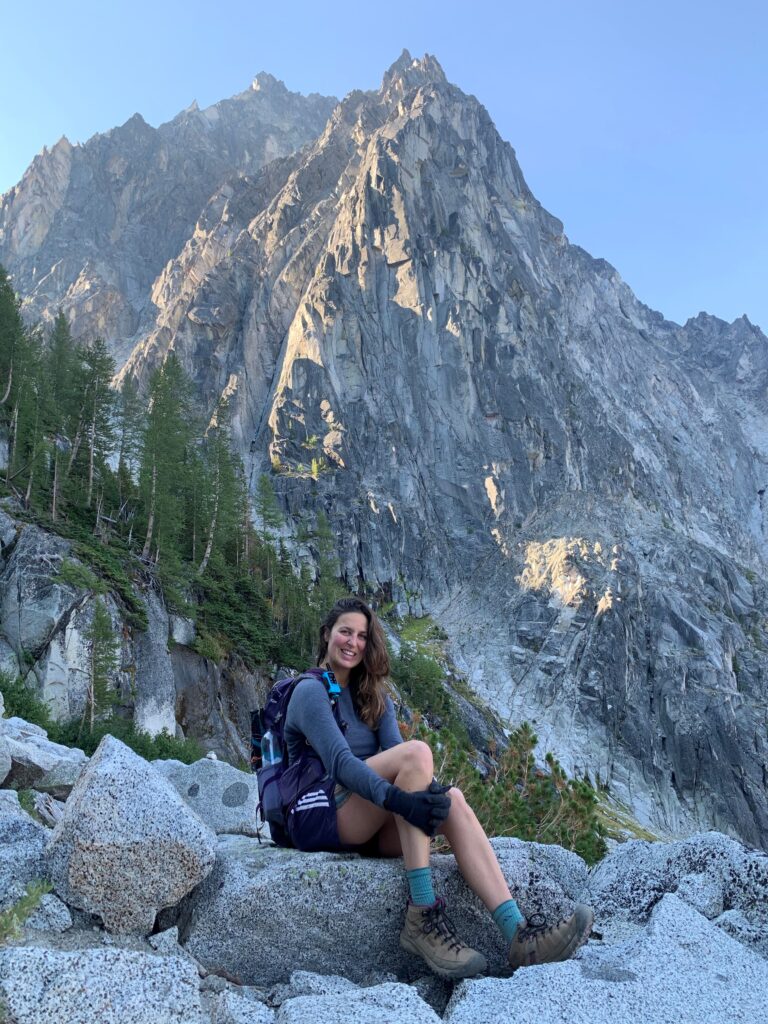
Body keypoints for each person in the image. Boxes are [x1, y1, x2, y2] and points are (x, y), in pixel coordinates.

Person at [283, 596, 593, 979]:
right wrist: (401, 801)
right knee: (417, 754)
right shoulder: (309, 692)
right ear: (327, 634)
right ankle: (422, 916)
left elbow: (401, 761)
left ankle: (518, 935)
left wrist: (424, 798)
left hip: (363, 821)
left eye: (363, 636)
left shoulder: (374, 698)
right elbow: (342, 766)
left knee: (453, 800)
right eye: (345, 632)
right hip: (322, 814)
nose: (353, 643)